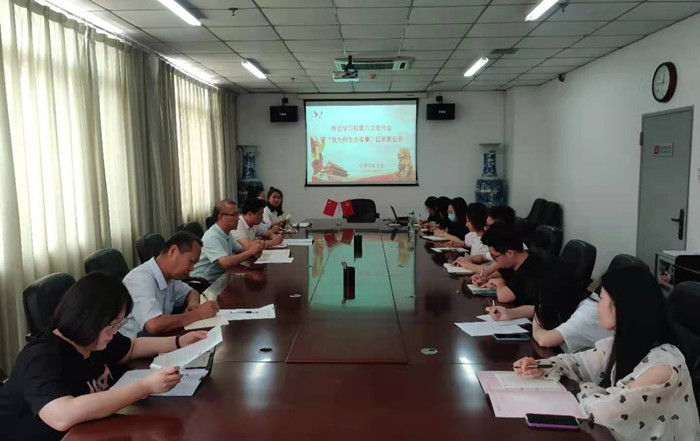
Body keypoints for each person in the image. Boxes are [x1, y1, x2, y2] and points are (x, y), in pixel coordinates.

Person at [0, 272, 209, 441]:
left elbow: (132, 347)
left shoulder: (94, 338)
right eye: (112, 325)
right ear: (87, 319)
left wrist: (178, 342)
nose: (115, 332)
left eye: (119, 323)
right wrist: (145, 387)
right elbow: (62, 415)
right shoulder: (41, 357)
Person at [513, 266, 700, 440]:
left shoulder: (663, 365)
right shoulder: (623, 343)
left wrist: (586, 388)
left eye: (601, 299)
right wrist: (541, 366)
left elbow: (604, 412)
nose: (597, 306)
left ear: (622, 307)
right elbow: (577, 363)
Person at [120, 232, 220, 338]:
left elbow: (191, 292)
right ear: (173, 251)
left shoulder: (169, 277)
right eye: (191, 261)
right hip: (136, 343)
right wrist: (197, 314)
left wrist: (193, 305)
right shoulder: (140, 278)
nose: (192, 268)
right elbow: (153, 325)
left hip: (158, 338)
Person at [191, 199, 263, 282]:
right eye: (234, 215)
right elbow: (225, 262)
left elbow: (241, 250)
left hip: (221, 277)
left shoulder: (227, 233)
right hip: (205, 282)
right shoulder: (212, 236)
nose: (238, 218)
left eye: (238, 214)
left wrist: (256, 246)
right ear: (220, 217)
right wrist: (250, 251)